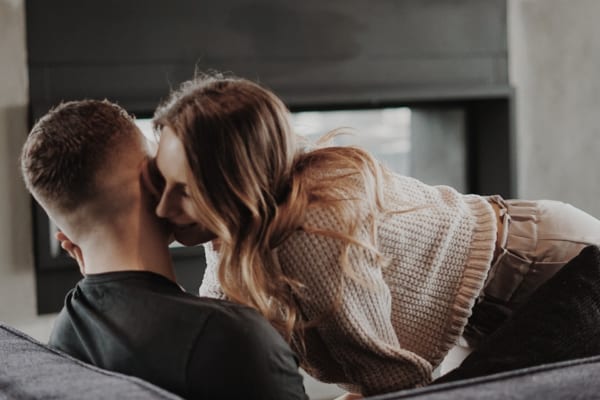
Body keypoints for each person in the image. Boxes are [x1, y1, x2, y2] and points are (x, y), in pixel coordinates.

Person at [147, 74, 600, 396]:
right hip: (489, 304)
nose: (163, 208)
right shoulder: (241, 224)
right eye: (160, 183)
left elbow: (393, 380)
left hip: (548, 268)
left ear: (239, 184)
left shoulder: (309, 235)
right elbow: (218, 324)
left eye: (186, 192)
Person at [20, 99, 308, 400]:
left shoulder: (64, 338)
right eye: (161, 163)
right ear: (153, 182)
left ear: (66, 237)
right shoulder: (233, 338)